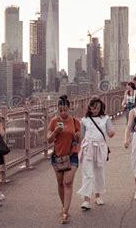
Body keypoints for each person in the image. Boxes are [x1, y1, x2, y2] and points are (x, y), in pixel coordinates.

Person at [47, 95, 81, 224]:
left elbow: (79, 139)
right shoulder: (54, 121)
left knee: (68, 182)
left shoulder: (75, 121)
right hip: (58, 156)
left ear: (69, 108)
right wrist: (55, 132)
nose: (63, 113)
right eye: (60, 110)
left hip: (72, 155)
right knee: (60, 182)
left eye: (65, 110)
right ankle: (63, 206)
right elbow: (49, 139)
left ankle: (65, 212)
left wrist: (77, 135)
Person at [78, 97, 115, 210]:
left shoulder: (106, 119)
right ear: (89, 107)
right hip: (87, 148)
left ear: (101, 107)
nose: (95, 110)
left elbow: (110, 132)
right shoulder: (84, 120)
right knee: (87, 174)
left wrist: (111, 132)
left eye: (97, 107)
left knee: (99, 173)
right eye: (93, 107)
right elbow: (81, 136)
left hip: (100, 147)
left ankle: (98, 196)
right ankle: (86, 200)